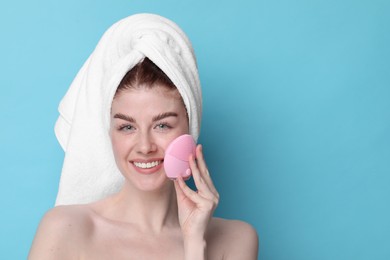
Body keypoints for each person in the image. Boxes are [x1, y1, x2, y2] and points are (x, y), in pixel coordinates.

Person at [29, 13, 258, 260]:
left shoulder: (236, 240)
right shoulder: (65, 229)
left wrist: (194, 243)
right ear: (109, 134)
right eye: (127, 127)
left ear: (190, 128)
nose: (145, 146)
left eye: (162, 125)